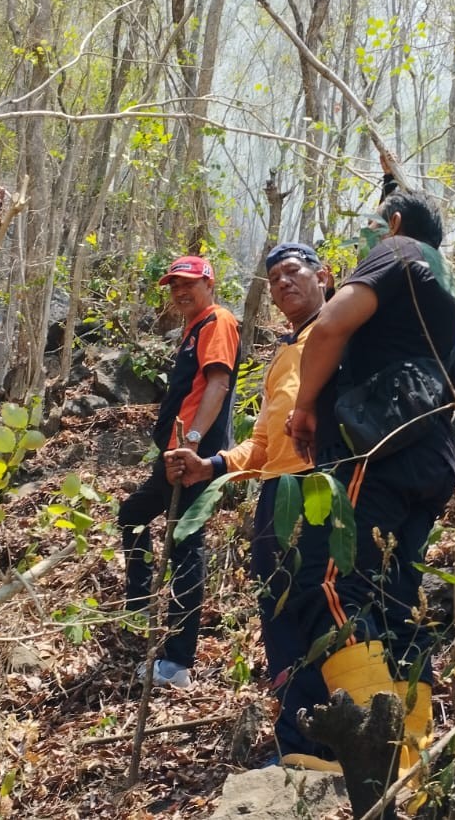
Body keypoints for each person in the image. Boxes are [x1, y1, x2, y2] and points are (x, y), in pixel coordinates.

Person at [283, 177, 455, 773]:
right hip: (430, 453)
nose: (363, 233)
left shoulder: (399, 251)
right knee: (397, 600)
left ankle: (368, 759)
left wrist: (305, 405)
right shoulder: (448, 289)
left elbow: (331, 325)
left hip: (379, 451)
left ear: (392, 224)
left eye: (371, 221)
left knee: (331, 585)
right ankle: (407, 762)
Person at [165, 242, 329, 760]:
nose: (282, 283)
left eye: (293, 272)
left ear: (322, 275)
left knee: (318, 611)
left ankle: (328, 737)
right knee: (276, 613)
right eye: (274, 277)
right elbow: (261, 446)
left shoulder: (342, 335)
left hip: (322, 489)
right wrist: (208, 466)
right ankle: (297, 736)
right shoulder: (283, 353)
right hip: (274, 494)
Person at [117, 255, 240, 689]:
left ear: (209, 282)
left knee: (186, 543)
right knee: (133, 514)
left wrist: (191, 447)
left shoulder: (217, 321)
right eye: (174, 286)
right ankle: (139, 604)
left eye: (188, 283)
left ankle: (178, 662)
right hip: (173, 451)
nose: (179, 292)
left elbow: (218, 384)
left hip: (193, 453)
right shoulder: (194, 327)